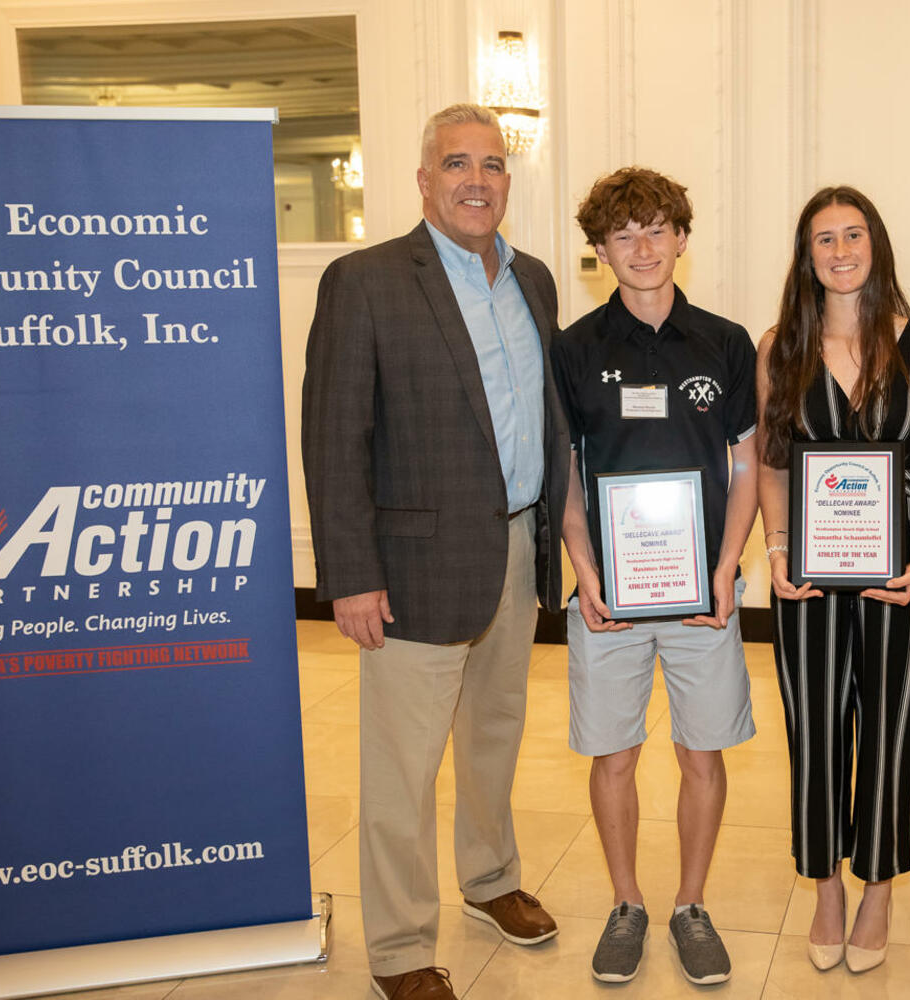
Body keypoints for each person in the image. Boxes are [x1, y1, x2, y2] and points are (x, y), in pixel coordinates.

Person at [301, 103, 571, 1000]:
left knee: (494, 738)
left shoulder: (533, 280)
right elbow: (335, 438)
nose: (476, 180)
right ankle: (401, 944)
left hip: (516, 550)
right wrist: (350, 577)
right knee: (404, 768)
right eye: (456, 163)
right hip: (411, 568)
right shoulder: (367, 280)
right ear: (423, 180)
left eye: (492, 164)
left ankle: (491, 879)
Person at [551, 167, 759, 986]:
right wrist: (584, 565)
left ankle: (692, 905)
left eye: (656, 229)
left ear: (682, 236)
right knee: (614, 755)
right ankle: (628, 903)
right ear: (599, 249)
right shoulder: (573, 348)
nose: (641, 248)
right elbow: (564, 471)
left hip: (703, 594)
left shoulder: (727, 341)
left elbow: (747, 466)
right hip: (608, 595)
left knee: (702, 752)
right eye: (622, 234)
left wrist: (726, 565)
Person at [756, 186, 910, 974]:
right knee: (813, 736)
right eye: (823, 241)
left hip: (896, 580)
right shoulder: (779, 348)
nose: (840, 252)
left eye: (852, 235)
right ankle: (827, 888)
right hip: (807, 584)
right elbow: (773, 466)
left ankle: (877, 887)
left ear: (875, 244)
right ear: (805, 257)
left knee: (890, 733)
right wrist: (775, 550)